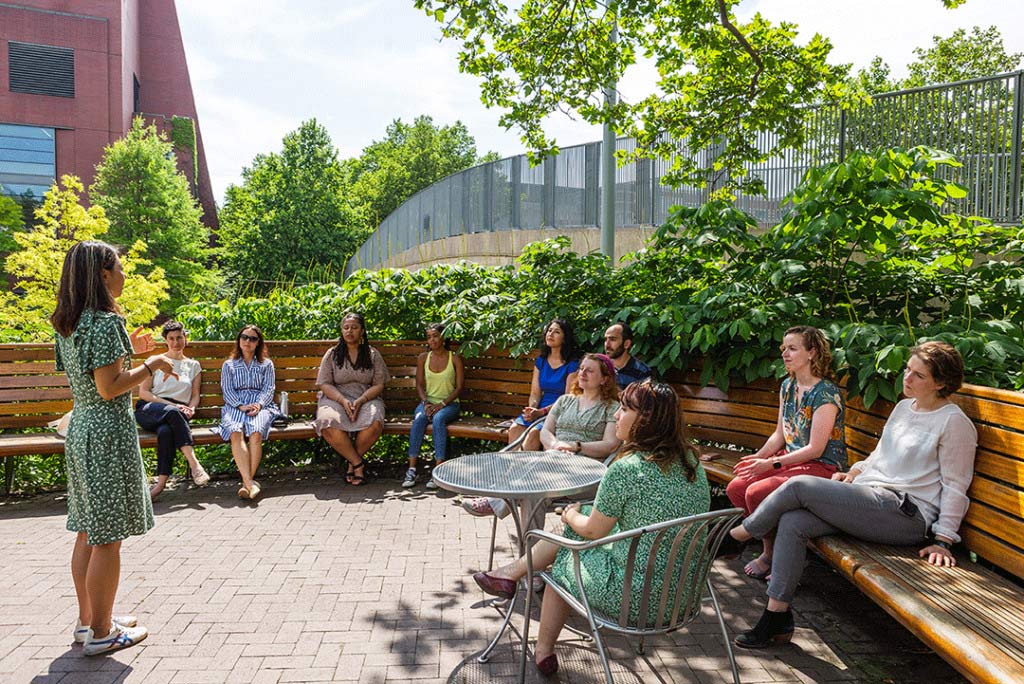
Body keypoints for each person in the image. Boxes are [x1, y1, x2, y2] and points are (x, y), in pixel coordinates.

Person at [722, 341, 976, 649]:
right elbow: (879, 456)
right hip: (869, 497)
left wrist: (943, 539)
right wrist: (855, 472)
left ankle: (737, 536)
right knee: (794, 521)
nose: (907, 378)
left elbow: (955, 484)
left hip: (906, 513)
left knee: (799, 485)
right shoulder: (903, 408)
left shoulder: (954, 422)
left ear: (942, 383)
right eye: (907, 369)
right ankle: (777, 618)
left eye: (918, 375)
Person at [471, 380, 711, 675]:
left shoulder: (626, 470)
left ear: (645, 420)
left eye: (624, 410)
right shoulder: (692, 463)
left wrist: (569, 514)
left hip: (635, 601)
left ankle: (541, 646)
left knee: (564, 556)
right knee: (580, 527)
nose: (616, 416)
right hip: (682, 596)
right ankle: (508, 574)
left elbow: (592, 531)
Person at [51, 240, 174, 655]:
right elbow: (110, 387)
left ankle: (89, 623)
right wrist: (152, 363)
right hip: (107, 433)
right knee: (109, 537)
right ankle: (103, 633)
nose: (123, 275)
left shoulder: (68, 323)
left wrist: (131, 357)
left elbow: (91, 377)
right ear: (102, 275)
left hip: (83, 428)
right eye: (118, 268)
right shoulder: (105, 322)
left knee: (89, 529)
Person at [723, 326, 846, 580]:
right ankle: (772, 551)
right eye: (784, 349)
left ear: (812, 353)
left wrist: (771, 464)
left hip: (821, 467)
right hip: (790, 461)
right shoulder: (788, 386)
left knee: (757, 492)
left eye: (792, 348)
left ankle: (776, 557)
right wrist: (758, 458)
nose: (785, 354)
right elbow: (780, 434)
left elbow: (816, 449)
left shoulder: (826, 393)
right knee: (737, 486)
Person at [462, 353, 622, 518]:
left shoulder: (611, 407)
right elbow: (545, 431)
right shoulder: (564, 401)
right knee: (533, 490)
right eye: (581, 368)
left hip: (586, 475)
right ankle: (529, 544)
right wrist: (555, 446)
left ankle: (495, 501)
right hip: (553, 466)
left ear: (604, 379)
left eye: (589, 370)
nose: (582, 373)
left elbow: (610, 444)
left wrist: (575, 446)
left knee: (534, 481)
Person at [134, 320, 210, 499]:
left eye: (179, 337)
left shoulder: (193, 366)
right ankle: (195, 465)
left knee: (166, 432)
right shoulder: (155, 361)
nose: (176, 342)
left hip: (179, 414)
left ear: (185, 338)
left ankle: (159, 486)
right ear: (165, 340)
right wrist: (174, 406)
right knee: (173, 413)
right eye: (171, 338)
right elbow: (144, 393)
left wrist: (191, 408)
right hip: (151, 408)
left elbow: (195, 394)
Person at [313, 312, 389, 487]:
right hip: (335, 398)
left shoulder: (372, 354)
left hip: (367, 397)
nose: (349, 331)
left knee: (375, 421)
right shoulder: (332, 354)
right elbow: (324, 383)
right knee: (326, 421)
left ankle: (351, 462)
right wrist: (342, 401)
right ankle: (358, 464)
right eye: (346, 327)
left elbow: (379, 385)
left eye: (354, 327)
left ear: (362, 331)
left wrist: (361, 400)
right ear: (341, 330)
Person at [219, 325, 281, 500]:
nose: (248, 341)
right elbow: (227, 389)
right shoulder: (229, 365)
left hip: (260, 404)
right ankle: (250, 483)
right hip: (235, 405)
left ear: (258, 343)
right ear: (239, 340)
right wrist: (240, 405)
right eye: (244, 337)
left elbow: (269, 388)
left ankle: (248, 483)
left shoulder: (266, 364)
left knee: (255, 432)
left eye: (253, 338)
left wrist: (259, 405)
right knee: (235, 431)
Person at [404, 323, 464, 488]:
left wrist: (442, 404)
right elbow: (419, 385)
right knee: (419, 419)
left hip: (450, 404)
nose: (433, 340)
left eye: (436, 336)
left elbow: (459, 388)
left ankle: (438, 471)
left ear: (444, 337)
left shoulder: (455, 358)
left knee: (438, 420)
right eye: (429, 337)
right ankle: (411, 469)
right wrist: (425, 402)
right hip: (428, 402)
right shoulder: (423, 358)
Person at [507, 319, 581, 451]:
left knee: (534, 433)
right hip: (539, 410)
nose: (550, 334)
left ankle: (527, 470)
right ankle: (513, 468)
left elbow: (567, 399)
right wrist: (531, 410)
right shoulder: (541, 361)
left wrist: (541, 412)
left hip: (558, 412)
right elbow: (535, 393)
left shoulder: (572, 364)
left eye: (556, 332)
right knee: (514, 428)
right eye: (549, 330)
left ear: (565, 339)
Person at [603, 321, 652, 389]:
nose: (607, 345)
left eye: (612, 339)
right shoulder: (600, 367)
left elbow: (644, 397)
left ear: (626, 344)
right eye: (605, 339)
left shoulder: (642, 371)